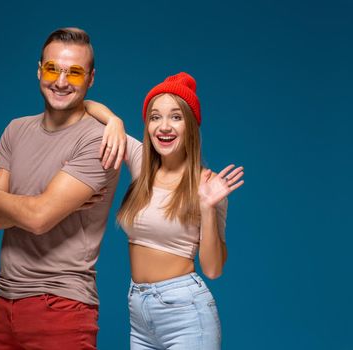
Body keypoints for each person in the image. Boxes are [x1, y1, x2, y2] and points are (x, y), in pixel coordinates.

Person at [0, 28, 120, 350]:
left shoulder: (97, 140)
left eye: (75, 72)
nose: (61, 82)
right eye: (53, 69)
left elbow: (37, 219)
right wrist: (34, 207)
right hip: (3, 301)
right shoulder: (15, 129)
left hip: (61, 306)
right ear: (39, 69)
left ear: (91, 78)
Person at [85, 72, 244, 349]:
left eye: (176, 117)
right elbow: (86, 106)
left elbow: (213, 269)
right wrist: (115, 121)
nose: (164, 126)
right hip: (139, 311)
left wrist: (207, 207)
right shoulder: (140, 163)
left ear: (191, 125)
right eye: (155, 117)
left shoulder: (207, 184)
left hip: (187, 312)